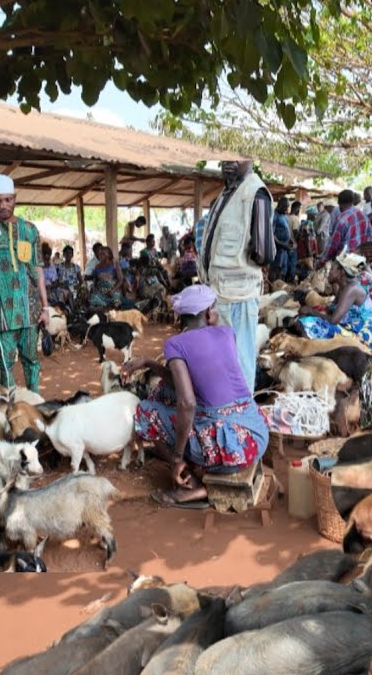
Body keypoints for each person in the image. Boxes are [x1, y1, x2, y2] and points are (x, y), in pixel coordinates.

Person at [124, 285, 270, 508]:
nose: (217, 313)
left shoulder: (176, 344)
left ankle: (191, 481)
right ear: (208, 313)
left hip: (227, 452)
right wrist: (149, 363)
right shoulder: (226, 333)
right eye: (215, 308)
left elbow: (187, 403)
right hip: (254, 437)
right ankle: (195, 470)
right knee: (162, 390)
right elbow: (184, 383)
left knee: (146, 411)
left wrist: (177, 456)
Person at [197, 160, 274, 392]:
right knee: (223, 361)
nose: (228, 164)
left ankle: (240, 417)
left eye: (235, 159)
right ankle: (227, 411)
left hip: (238, 297)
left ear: (250, 160)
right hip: (221, 295)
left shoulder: (255, 194)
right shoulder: (227, 193)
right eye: (224, 159)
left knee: (239, 363)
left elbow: (264, 254)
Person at [0, 174, 49, 393]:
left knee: (32, 360)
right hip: (0, 313)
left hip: (30, 310)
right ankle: (10, 406)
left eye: (7, 200)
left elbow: (38, 270)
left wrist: (45, 307)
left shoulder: (30, 230)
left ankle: (35, 404)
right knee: (5, 364)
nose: (3, 206)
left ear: (15, 198)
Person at [294, 253, 372, 350]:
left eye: (332, 270)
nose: (328, 273)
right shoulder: (343, 288)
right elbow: (331, 309)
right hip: (351, 327)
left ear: (341, 273)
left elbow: (333, 320)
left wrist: (311, 311)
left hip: (363, 335)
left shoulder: (351, 289)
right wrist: (314, 311)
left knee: (307, 323)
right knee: (307, 319)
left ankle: (309, 351)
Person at [318, 190, 370, 267]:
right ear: (352, 201)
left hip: (345, 263)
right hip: (360, 261)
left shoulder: (342, 220)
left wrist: (321, 262)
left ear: (339, 203)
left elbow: (333, 245)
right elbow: (370, 236)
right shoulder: (363, 216)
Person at [88, 245, 133, 310]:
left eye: (103, 254)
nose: (100, 255)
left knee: (115, 303)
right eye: (100, 254)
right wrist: (94, 289)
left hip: (112, 290)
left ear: (108, 255)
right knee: (93, 303)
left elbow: (120, 279)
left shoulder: (114, 265)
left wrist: (113, 290)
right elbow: (96, 281)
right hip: (100, 291)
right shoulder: (97, 267)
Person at [52, 245, 83, 315]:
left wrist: (77, 287)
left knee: (76, 292)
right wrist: (60, 285)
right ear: (63, 255)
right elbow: (55, 279)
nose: (68, 255)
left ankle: (73, 312)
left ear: (72, 255)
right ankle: (71, 312)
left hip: (73, 288)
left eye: (70, 253)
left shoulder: (76, 267)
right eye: (66, 253)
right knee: (63, 292)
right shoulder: (58, 266)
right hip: (62, 287)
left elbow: (81, 281)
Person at [273, 197, 297, 283]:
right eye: (286, 207)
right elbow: (271, 235)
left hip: (284, 250)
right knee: (276, 272)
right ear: (281, 206)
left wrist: (290, 240)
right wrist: (282, 245)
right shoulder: (274, 215)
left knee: (283, 271)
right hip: (277, 250)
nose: (287, 209)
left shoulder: (284, 216)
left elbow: (287, 230)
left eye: (288, 207)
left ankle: (280, 288)